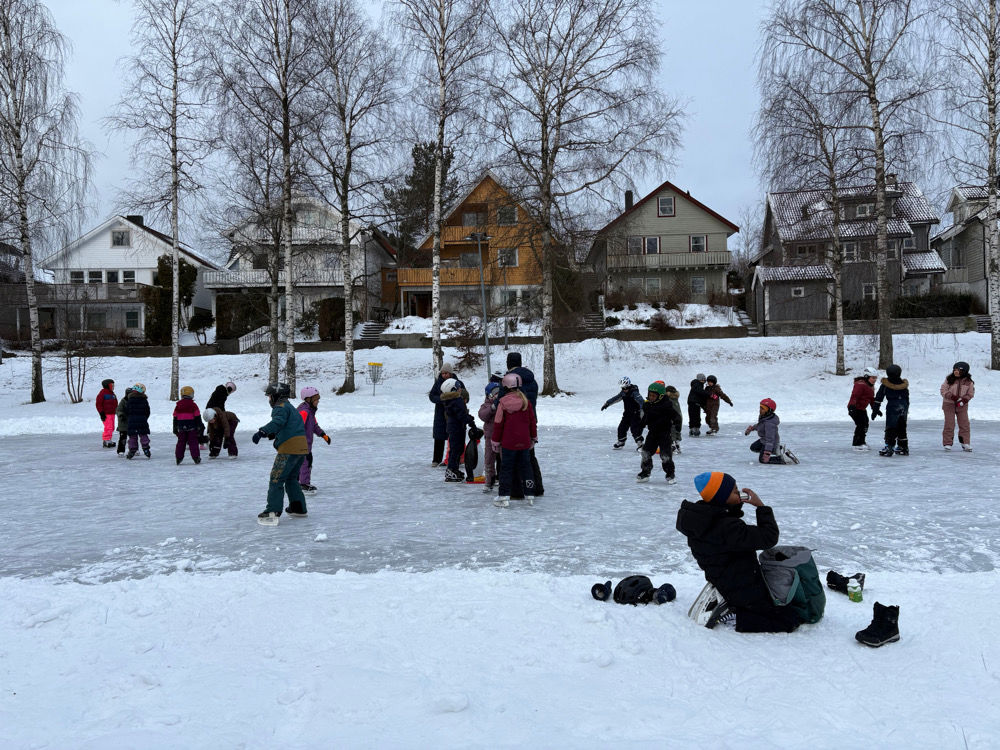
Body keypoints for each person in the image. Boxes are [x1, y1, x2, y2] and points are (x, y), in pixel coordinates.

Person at [675, 472, 801, 633]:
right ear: (721, 497)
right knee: (790, 619)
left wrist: (733, 502)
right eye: (735, 491)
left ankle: (731, 600)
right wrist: (761, 507)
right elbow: (768, 538)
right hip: (742, 584)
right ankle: (739, 617)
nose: (739, 493)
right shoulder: (728, 527)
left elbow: (727, 525)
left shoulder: (704, 519)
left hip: (721, 576)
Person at [252, 382, 309, 525]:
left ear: (276, 395)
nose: (269, 399)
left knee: (276, 479)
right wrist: (275, 434)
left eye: (270, 396)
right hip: (301, 448)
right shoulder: (291, 408)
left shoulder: (280, 407)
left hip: (289, 449)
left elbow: (278, 421)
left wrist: (263, 431)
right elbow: (290, 425)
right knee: (290, 479)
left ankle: (272, 511)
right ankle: (298, 508)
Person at [491, 372, 538, 507]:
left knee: (506, 469)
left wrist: (495, 440)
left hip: (508, 443)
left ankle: (504, 495)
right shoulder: (526, 402)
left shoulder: (502, 403)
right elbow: (532, 422)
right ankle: (530, 493)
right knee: (526, 467)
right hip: (524, 442)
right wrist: (533, 437)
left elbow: (498, 424)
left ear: (505, 386)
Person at [505, 351, 543, 496]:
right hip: (530, 418)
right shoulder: (531, 379)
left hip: (514, 420)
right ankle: (537, 486)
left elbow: (506, 399)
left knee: (513, 454)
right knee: (530, 454)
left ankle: (518, 489)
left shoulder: (511, 380)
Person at [636, 382, 682, 484]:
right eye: (650, 395)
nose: (651, 397)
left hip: (664, 434)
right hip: (652, 434)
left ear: (661, 396)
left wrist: (677, 424)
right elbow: (645, 418)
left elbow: (676, 416)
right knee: (646, 453)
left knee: (665, 456)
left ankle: (670, 474)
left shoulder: (666, 406)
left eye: (653, 396)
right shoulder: (648, 405)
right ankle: (645, 472)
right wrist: (640, 426)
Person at [440, 377, 475, 482]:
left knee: (457, 449)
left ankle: (453, 469)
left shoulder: (451, 400)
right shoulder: (457, 400)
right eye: (459, 387)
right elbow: (461, 415)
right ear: (453, 389)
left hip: (454, 427)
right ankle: (451, 469)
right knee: (456, 449)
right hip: (456, 428)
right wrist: (470, 420)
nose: (461, 389)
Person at [296, 386, 331, 492]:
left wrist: (323, 435)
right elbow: (297, 426)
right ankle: (304, 484)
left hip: (305, 444)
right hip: (301, 444)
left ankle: (297, 482)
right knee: (306, 463)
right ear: (309, 399)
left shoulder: (310, 411)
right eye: (316, 399)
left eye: (318, 399)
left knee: (301, 463)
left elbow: (314, 425)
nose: (318, 401)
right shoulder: (304, 412)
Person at [744, 398, 797, 464]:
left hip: (771, 442)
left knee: (763, 460)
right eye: (760, 408)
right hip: (764, 440)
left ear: (769, 410)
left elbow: (770, 439)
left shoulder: (769, 424)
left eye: (763, 409)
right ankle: (776, 449)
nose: (760, 410)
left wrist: (767, 453)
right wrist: (752, 428)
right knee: (753, 447)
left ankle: (783, 459)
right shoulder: (764, 417)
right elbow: (760, 425)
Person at [873, 364, 909, 457]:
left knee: (891, 426)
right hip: (903, 406)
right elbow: (906, 397)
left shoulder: (886, 384)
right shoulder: (903, 384)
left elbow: (879, 397)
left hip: (892, 407)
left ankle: (889, 447)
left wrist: (875, 409)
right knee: (902, 426)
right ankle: (903, 447)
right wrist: (906, 408)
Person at [601, 376, 645, 450]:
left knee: (635, 429)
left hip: (635, 414)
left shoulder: (634, 393)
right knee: (621, 427)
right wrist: (607, 403)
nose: (624, 390)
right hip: (627, 414)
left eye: (625, 388)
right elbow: (616, 398)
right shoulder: (623, 393)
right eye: (622, 388)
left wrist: (643, 412)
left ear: (628, 386)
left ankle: (640, 444)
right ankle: (621, 442)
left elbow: (642, 402)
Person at [941, 360, 974, 452]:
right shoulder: (949, 379)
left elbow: (970, 393)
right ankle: (947, 443)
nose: (956, 371)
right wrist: (954, 397)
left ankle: (965, 443)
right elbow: (943, 390)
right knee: (949, 424)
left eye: (958, 370)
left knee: (964, 424)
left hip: (962, 406)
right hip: (949, 405)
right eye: (954, 369)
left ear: (964, 371)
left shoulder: (969, 382)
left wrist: (964, 400)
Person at [428, 362, 456, 467]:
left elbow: (464, 394)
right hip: (440, 414)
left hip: (453, 413)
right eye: (443, 373)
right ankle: (436, 459)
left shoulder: (456, 382)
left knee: (453, 437)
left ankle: (453, 458)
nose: (444, 375)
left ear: (450, 373)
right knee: (439, 437)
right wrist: (440, 399)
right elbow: (432, 396)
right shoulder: (438, 383)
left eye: (446, 373)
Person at [172, 385, 206, 465]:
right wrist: (200, 426)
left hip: (181, 428)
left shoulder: (178, 405)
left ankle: (178, 457)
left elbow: (175, 417)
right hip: (192, 427)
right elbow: (197, 416)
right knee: (193, 442)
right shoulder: (193, 405)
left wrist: (175, 427)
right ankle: (196, 457)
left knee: (181, 443)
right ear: (191, 395)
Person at [848, 367, 879, 451]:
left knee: (865, 424)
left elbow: (871, 399)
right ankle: (857, 444)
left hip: (862, 409)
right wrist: (851, 406)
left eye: (876, 378)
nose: (875, 380)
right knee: (861, 425)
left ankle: (862, 441)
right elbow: (855, 395)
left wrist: (875, 409)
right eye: (873, 378)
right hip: (854, 408)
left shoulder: (870, 386)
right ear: (867, 376)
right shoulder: (860, 385)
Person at [478, 382, 502, 492]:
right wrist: (493, 407)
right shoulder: (487, 405)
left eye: (499, 392)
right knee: (489, 460)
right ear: (489, 395)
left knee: (504, 459)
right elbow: (482, 415)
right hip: (490, 437)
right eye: (494, 393)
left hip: (502, 437)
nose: (497, 394)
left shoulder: (503, 403)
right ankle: (489, 481)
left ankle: (505, 480)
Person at [125, 383, 152, 459]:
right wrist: (144, 418)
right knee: (143, 435)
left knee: (133, 436)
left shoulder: (130, 400)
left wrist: (129, 418)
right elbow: (147, 411)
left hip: (132, 421)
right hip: (142, 420)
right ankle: (146, 448)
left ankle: (132, 450)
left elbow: (127, 411)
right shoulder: (144, 400)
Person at [96, 378, 118, 448]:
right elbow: (98, 404)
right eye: (112, 385)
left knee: (112, 427)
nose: (113, 386)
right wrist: (101, 413)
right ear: (107, 385)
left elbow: (115, 403)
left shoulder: (112, 394)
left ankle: (109, 439)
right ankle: (106, 440)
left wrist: (117, 410)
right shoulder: (102, 393)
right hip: (106, 414)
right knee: (108, 427)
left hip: (112, 413)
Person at [664, 384, 684, 454]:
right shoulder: (675, 398)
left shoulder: (668, 399)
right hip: (679, 418)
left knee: (671, 431)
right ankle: (677, 445)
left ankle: (673, 446)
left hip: (673, 418)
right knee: (677, 431)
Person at [114, 386, 133, 456]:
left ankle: (134, 449)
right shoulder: (123, 401)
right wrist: (121, 415)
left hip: (132, 422)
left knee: (133, 438)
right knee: (123, 438)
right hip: (123, 423)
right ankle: (121, 450)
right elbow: (118, 410)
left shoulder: (134, 401)